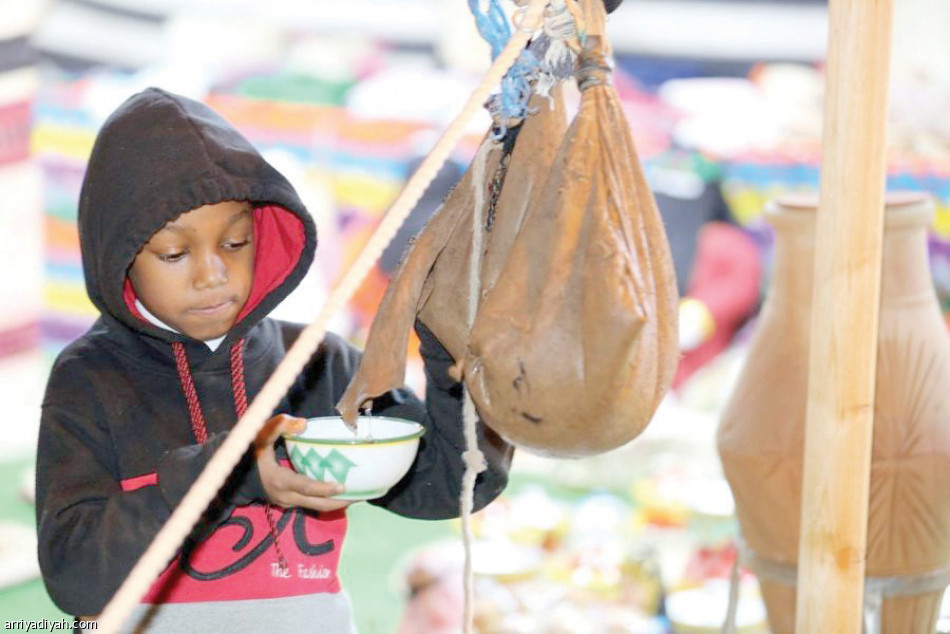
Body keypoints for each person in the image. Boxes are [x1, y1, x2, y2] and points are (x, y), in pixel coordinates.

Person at [35, 87, 512, 632]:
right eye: (174, 253)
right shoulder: (89, 379)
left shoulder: (314, 362)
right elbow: (72, 574)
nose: (212, 274)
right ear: (114, 257)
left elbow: (456, 481)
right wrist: (231, 470)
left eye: (235, 243)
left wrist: (453, 346)